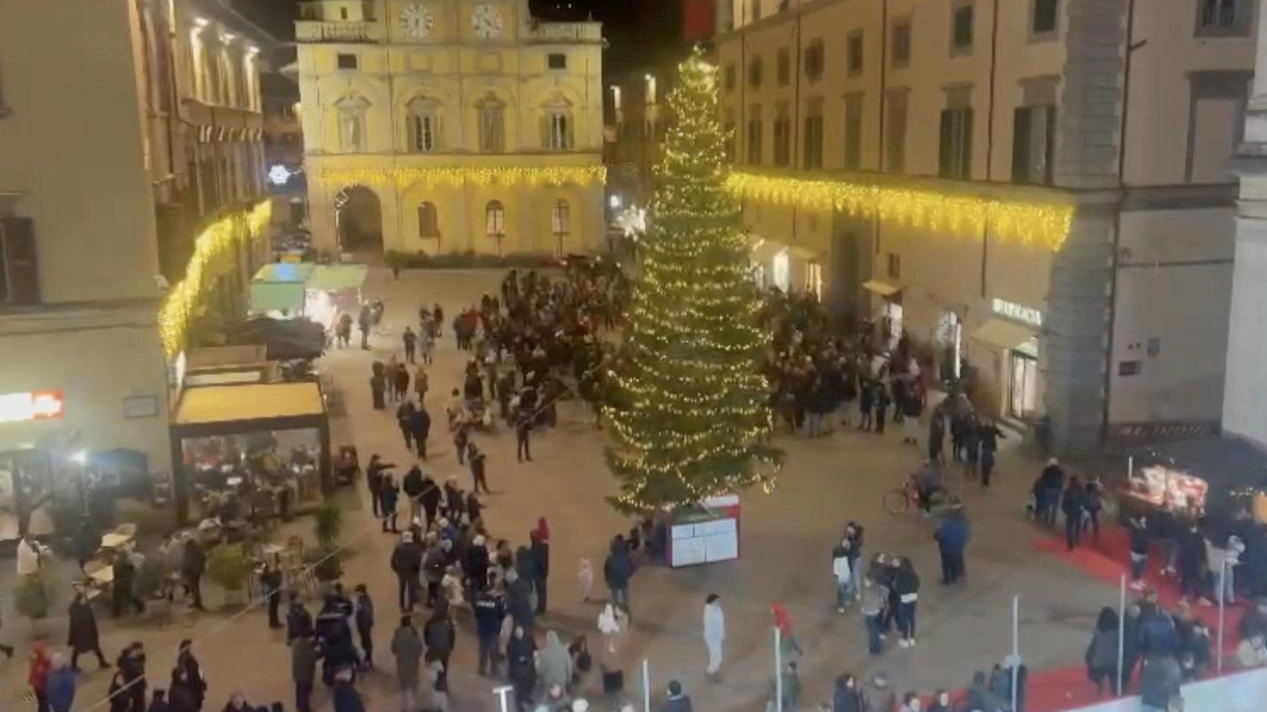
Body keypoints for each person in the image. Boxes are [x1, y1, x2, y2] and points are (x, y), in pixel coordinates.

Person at [67, 592, 109, 670]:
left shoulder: (86, 607)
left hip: (89, 632)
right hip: (80, 633)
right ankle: (73, 666)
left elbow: (91, 619)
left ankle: (102, 662)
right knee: (77, 650)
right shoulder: (74, 608)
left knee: (95, 648)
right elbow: (75, 622)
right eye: (84, 598)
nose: (85, 600)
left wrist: (94, 631)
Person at [474, 576, 506, 676]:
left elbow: (477, 613)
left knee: (483, 650)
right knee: (493, 651)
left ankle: (481, 669)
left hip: (482, 629)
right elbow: (502, 614)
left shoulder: (479, 600)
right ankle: (494, 670)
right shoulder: (496, 602)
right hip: (493, 629)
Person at [1085, 607, 1121, 696]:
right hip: (1113, 660)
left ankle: (1099, 691)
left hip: (1099, 660)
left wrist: (1088, 656)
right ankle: (1115, 691)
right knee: (1114, 678)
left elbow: (1093, 645)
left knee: (1098, 677)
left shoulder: (1098, 631)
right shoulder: (1117, 631)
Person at [392, 614, 423, 712]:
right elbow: (420, 649)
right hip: (413, 664)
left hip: (401, 664)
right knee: (412, 687)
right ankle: (411, 708)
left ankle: (404, 707)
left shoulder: (397, 634)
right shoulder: (414, 635)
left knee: (404, 687)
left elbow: (393, 649)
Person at [934, 505, 969, 585]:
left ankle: (947, 579)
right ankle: (956, 575)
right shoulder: (963, 524)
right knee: (957, 560)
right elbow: (966, 535)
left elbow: (939, 535)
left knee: (946, 564)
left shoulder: (947, 525)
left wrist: (936, 535)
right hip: (958, 546)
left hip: (947, 548)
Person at [507, 625, 538, 711]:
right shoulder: (512, 642)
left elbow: (535, 648)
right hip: (517, 667)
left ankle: (527, 697)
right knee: (519, 687)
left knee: (531, 682)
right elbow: (510, 655)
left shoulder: (529, 638)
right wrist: (519, 658)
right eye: (517, 633)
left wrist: (535, 653)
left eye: (520, 632)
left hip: (529, 664)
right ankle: (519, 706)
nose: (519, 634)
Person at [894, 557, 920, 648]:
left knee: (904, 619)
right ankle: (912, 638)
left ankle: (905, 639)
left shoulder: (900, 575)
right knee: (911, 618)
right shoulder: (914, 575)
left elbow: (898, 588)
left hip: (904, 599)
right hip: (913, 598)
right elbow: (917, 584)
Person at [604, 536, 635, 612]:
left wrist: (607, 579)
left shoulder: (610, 557)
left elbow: (606, 568)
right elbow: (632, 566)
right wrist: (629, 574)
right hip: (623, 578)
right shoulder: (626, 556)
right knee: (624, 593)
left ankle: (615, 609)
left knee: (615, 595)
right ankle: (624, 608)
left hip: (614, 579)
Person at [175, 640, 206, 712]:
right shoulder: (185, 656)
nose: (191, 647)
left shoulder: (184, 656)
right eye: (190, 645)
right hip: (192, 686)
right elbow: (183, 668)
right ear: (187, 646)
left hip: (192, 685)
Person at [859, 573, 886, 655]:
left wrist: (863, 609)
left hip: (870, 613)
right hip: (877, 611)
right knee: (876, 629)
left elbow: (867, 603)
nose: (864, 582)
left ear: (869, 581)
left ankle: (873, 648)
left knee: (872, 631)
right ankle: (878, 647)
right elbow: (881, 599)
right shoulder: (877, 588)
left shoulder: (868, 591)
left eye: (865, 581)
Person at [112, 550, 145, 617]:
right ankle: (141, 608)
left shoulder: (116, 565)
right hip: (128, 582)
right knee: (132, 597)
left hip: (120, 583)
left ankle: (116, 613)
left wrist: (115, 583)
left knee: (117, 598)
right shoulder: (128, 564)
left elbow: (115, 575)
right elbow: (134, 573)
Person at [291, 635, 319, 712]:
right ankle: (304, 708)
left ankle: (298, 705)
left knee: (299, 689)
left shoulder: (297, 642)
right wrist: (320, 650)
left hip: (297, 672)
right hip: (304, 674)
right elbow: (313, 656)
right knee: (304, 693)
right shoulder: (305, 647)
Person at [702, 594, 725, 682]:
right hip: (711, 637)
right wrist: (711, 636)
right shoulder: (708, 611)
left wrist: (722, 633)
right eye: (717, 601)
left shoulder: (718, 609)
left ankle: (714, 671)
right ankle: (711, 671)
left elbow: (721, 623)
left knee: (715, 655)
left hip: (718, 636)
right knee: (716, 655)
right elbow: (708, 625)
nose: (718, 602)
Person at [181, 536, 207, 611]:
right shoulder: (198, 546)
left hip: (191, 571)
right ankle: (196, 602)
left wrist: (184, 569)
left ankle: (198, 603)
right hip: (197, 570)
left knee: (194, 587)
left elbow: (186, 560)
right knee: (195, 587)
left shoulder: (188, 548)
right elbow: (203, 557)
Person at [1062, 476, 1087, 551]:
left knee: (1069, 527)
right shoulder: (1081, 490)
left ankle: (1070, 543)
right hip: (1078, 510)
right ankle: (1076, 540)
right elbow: (1084, 500)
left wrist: (1065, 510)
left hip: (1070, 511)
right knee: (1077, 525)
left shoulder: (1068, 490)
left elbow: (1064, 502)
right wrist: (1082, 507)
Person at [353, 584, 375, 667]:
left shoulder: (364, 600)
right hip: (364, 624)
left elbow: (366, 612)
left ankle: (368, 658)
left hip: (364, 624)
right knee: (365, 641)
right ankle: (367, 658)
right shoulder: (364, 599)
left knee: (366, 641)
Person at [832, 538, 853, 614]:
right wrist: (836, 573)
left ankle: (845, 601)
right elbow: (836, 564)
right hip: (842, 574)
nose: (846, 543)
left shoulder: (847, 551)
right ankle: (841, 605)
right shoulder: (840, 554)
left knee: (846, 588)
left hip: (846, 573)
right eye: (845, 542)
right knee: (841, 590)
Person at [29, 640, 52, 712]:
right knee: (44, 701)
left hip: (37, 685)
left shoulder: (37, 661)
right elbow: (43, 673)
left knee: (41, 701)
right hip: (42, 686)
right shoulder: (39, 665)